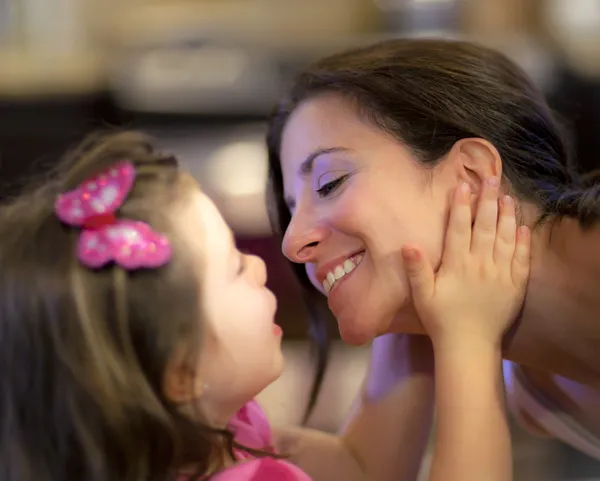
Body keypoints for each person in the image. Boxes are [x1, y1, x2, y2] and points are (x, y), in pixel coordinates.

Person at [0, 131, 528, 481]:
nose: (261, 264)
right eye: (233, 265)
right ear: (182, 373)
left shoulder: (210, 440)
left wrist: (403, 295)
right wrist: (470, 340)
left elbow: (365, 470)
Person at [267, 37, 600, 460]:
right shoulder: (536, 393)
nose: (293, 243)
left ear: (472, 175)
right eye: (293, 208)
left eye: (330, 184)